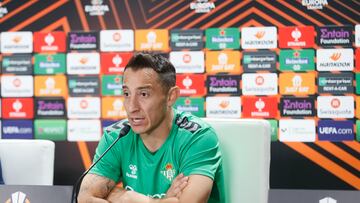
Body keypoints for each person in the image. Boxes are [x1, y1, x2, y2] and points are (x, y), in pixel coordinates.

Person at [78, 53, 224, 203]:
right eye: (126, 93)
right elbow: (85, 197)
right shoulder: (116, 136)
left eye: (143, 94)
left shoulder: (198, 137)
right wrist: (162, 200)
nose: (131, 107)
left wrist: (129, 198)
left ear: (171, 96)